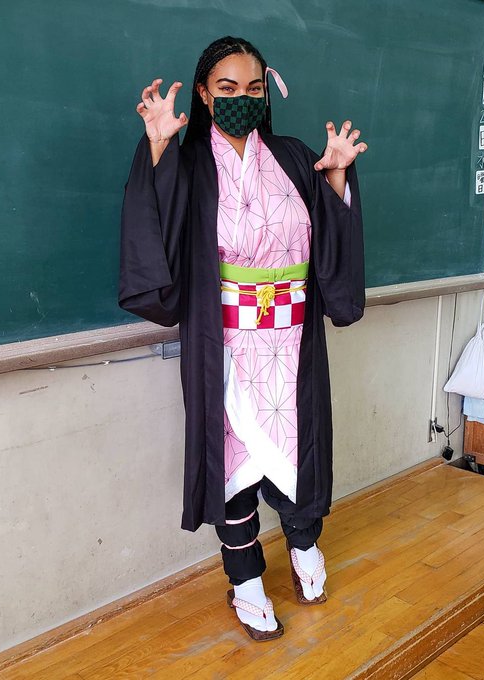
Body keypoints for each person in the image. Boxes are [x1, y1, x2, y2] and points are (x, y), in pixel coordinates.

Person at [119, 36, 367, 641]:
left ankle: (304, 545)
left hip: (292, 342)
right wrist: (159, 148)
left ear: (267, 92)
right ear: (204, 95)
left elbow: (329, 239)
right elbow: (158, 235)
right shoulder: (190, 163)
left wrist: (336, 177)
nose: (241, 98)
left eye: (254, 88)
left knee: (300, 452)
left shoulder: (293, 156)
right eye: (226, 88)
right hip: (225, 345)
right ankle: (246, 578)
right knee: (231, 465)